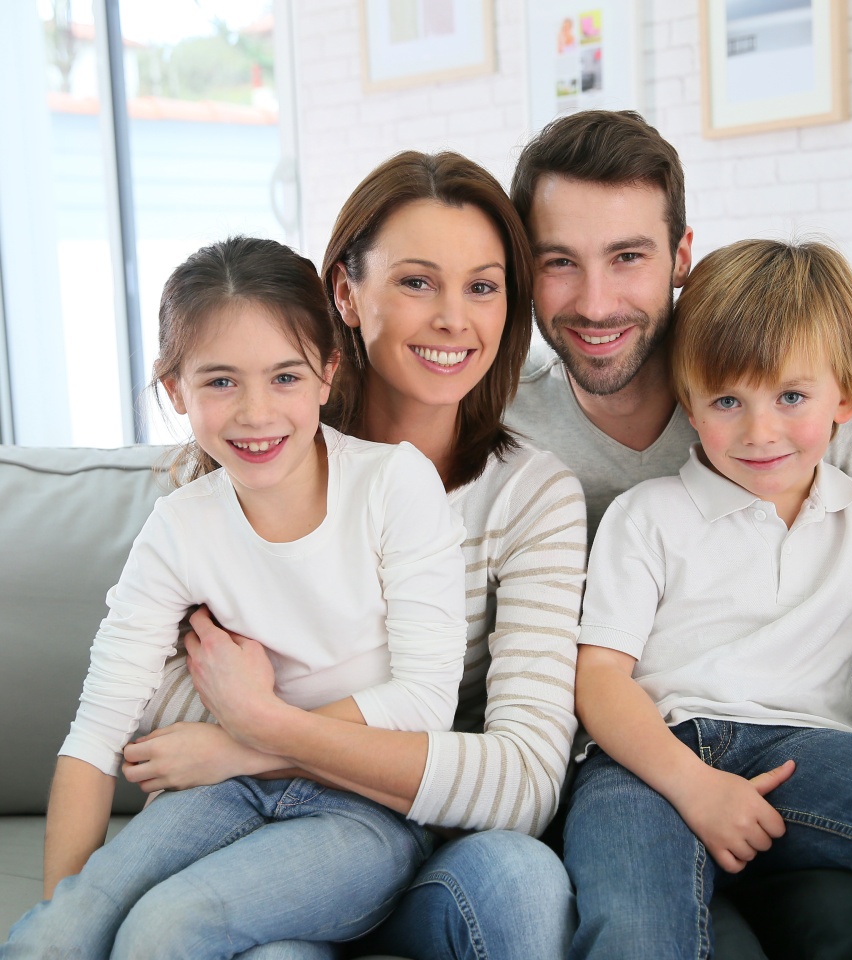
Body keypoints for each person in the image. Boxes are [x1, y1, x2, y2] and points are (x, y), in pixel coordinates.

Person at [59, 152, 588, 960]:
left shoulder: (531, 496)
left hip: (432, 840)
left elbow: (521, 781)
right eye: (417, 282)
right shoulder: (239, 469)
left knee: (525, 879)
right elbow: (154, 712)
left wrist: (254, 733)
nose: (453, 318)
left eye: (482, 286)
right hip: (275, 846)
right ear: (345, 293)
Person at [505, 108, 852, 957]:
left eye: (629, 255)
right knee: (643, 929)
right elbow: (598, 679)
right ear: (693, 404)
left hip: (811, 754)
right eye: (560, 262)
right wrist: (694, 785)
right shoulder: (631, 508)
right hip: (645, 759)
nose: (760, 432)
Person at [1, 236, 470, 957]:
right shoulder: (180, 528)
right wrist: (64, 917)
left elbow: (424, 703)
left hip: (366, 809)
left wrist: (239, 742)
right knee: (66, 930)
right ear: (175, 391)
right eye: (220, 382)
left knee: (167, 927)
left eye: (285, 377)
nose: (256, 413)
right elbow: (97, 735)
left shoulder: (391, 485)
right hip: (218, 794)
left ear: (327, 373)